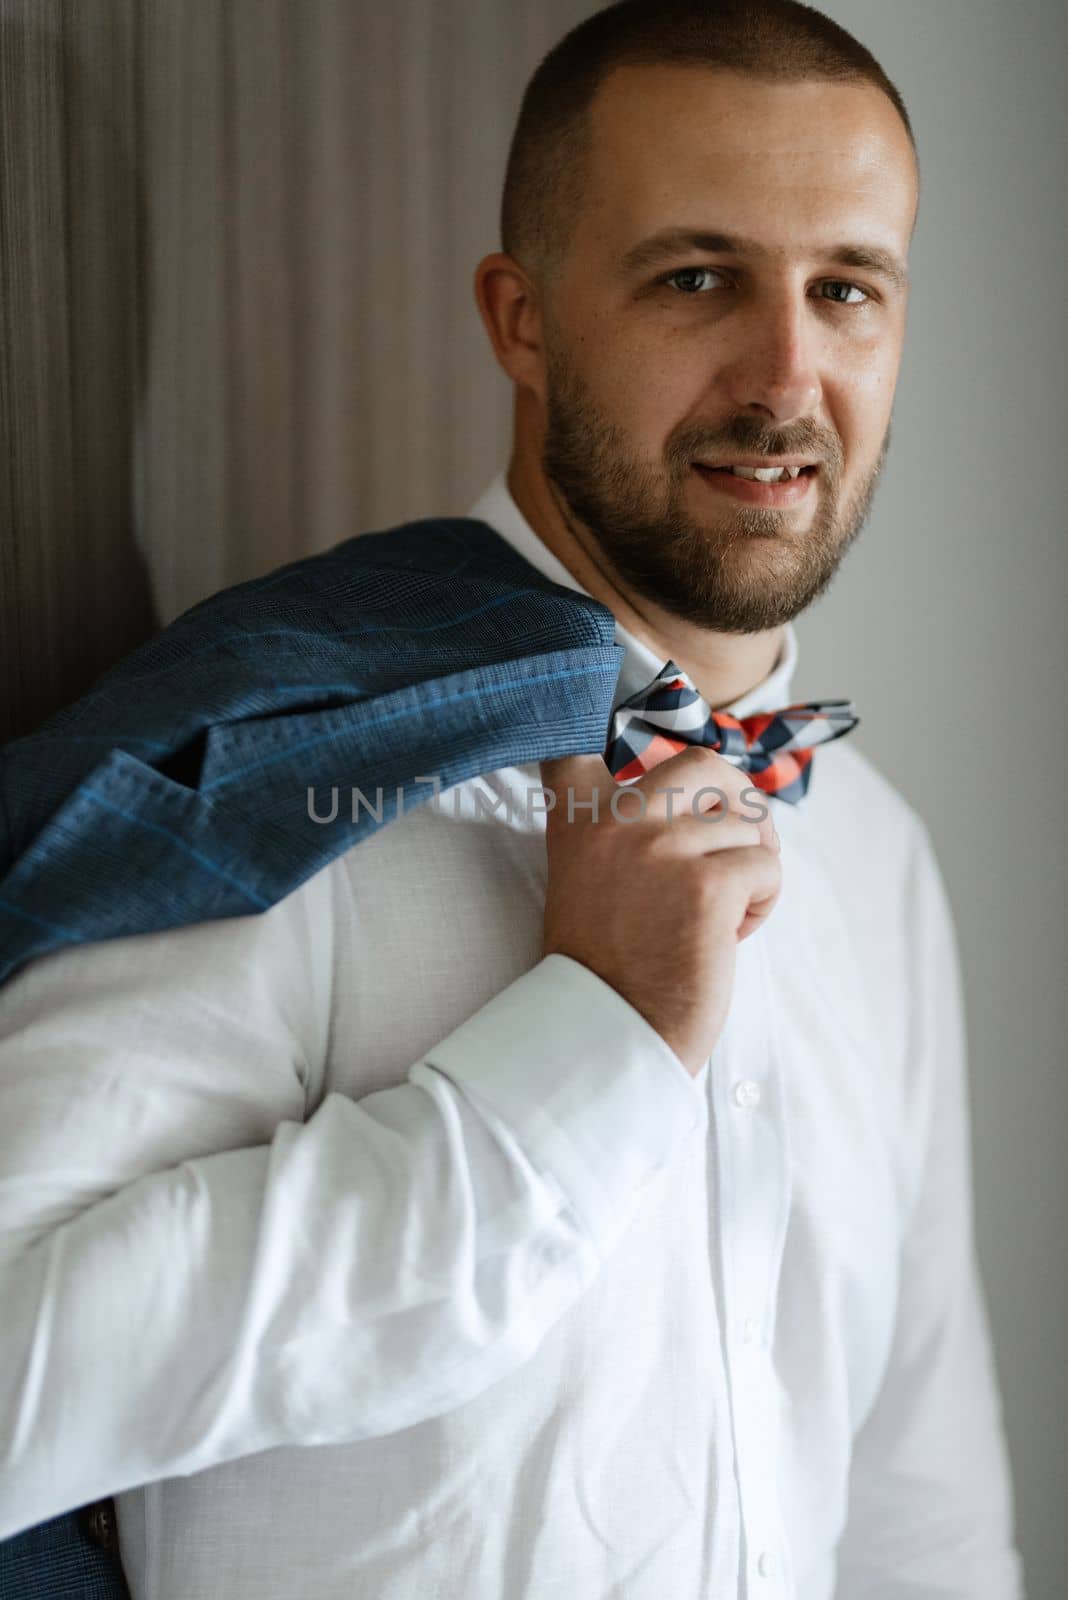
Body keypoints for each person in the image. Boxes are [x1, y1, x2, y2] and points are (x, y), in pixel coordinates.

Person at [0, 1, 1025, 1596]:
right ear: (523, 317)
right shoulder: (298, 767)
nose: (786, 373)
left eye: (846, 289)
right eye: (697, 278)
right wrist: (587, 1049)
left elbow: (918, 1501)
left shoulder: (876, 852)